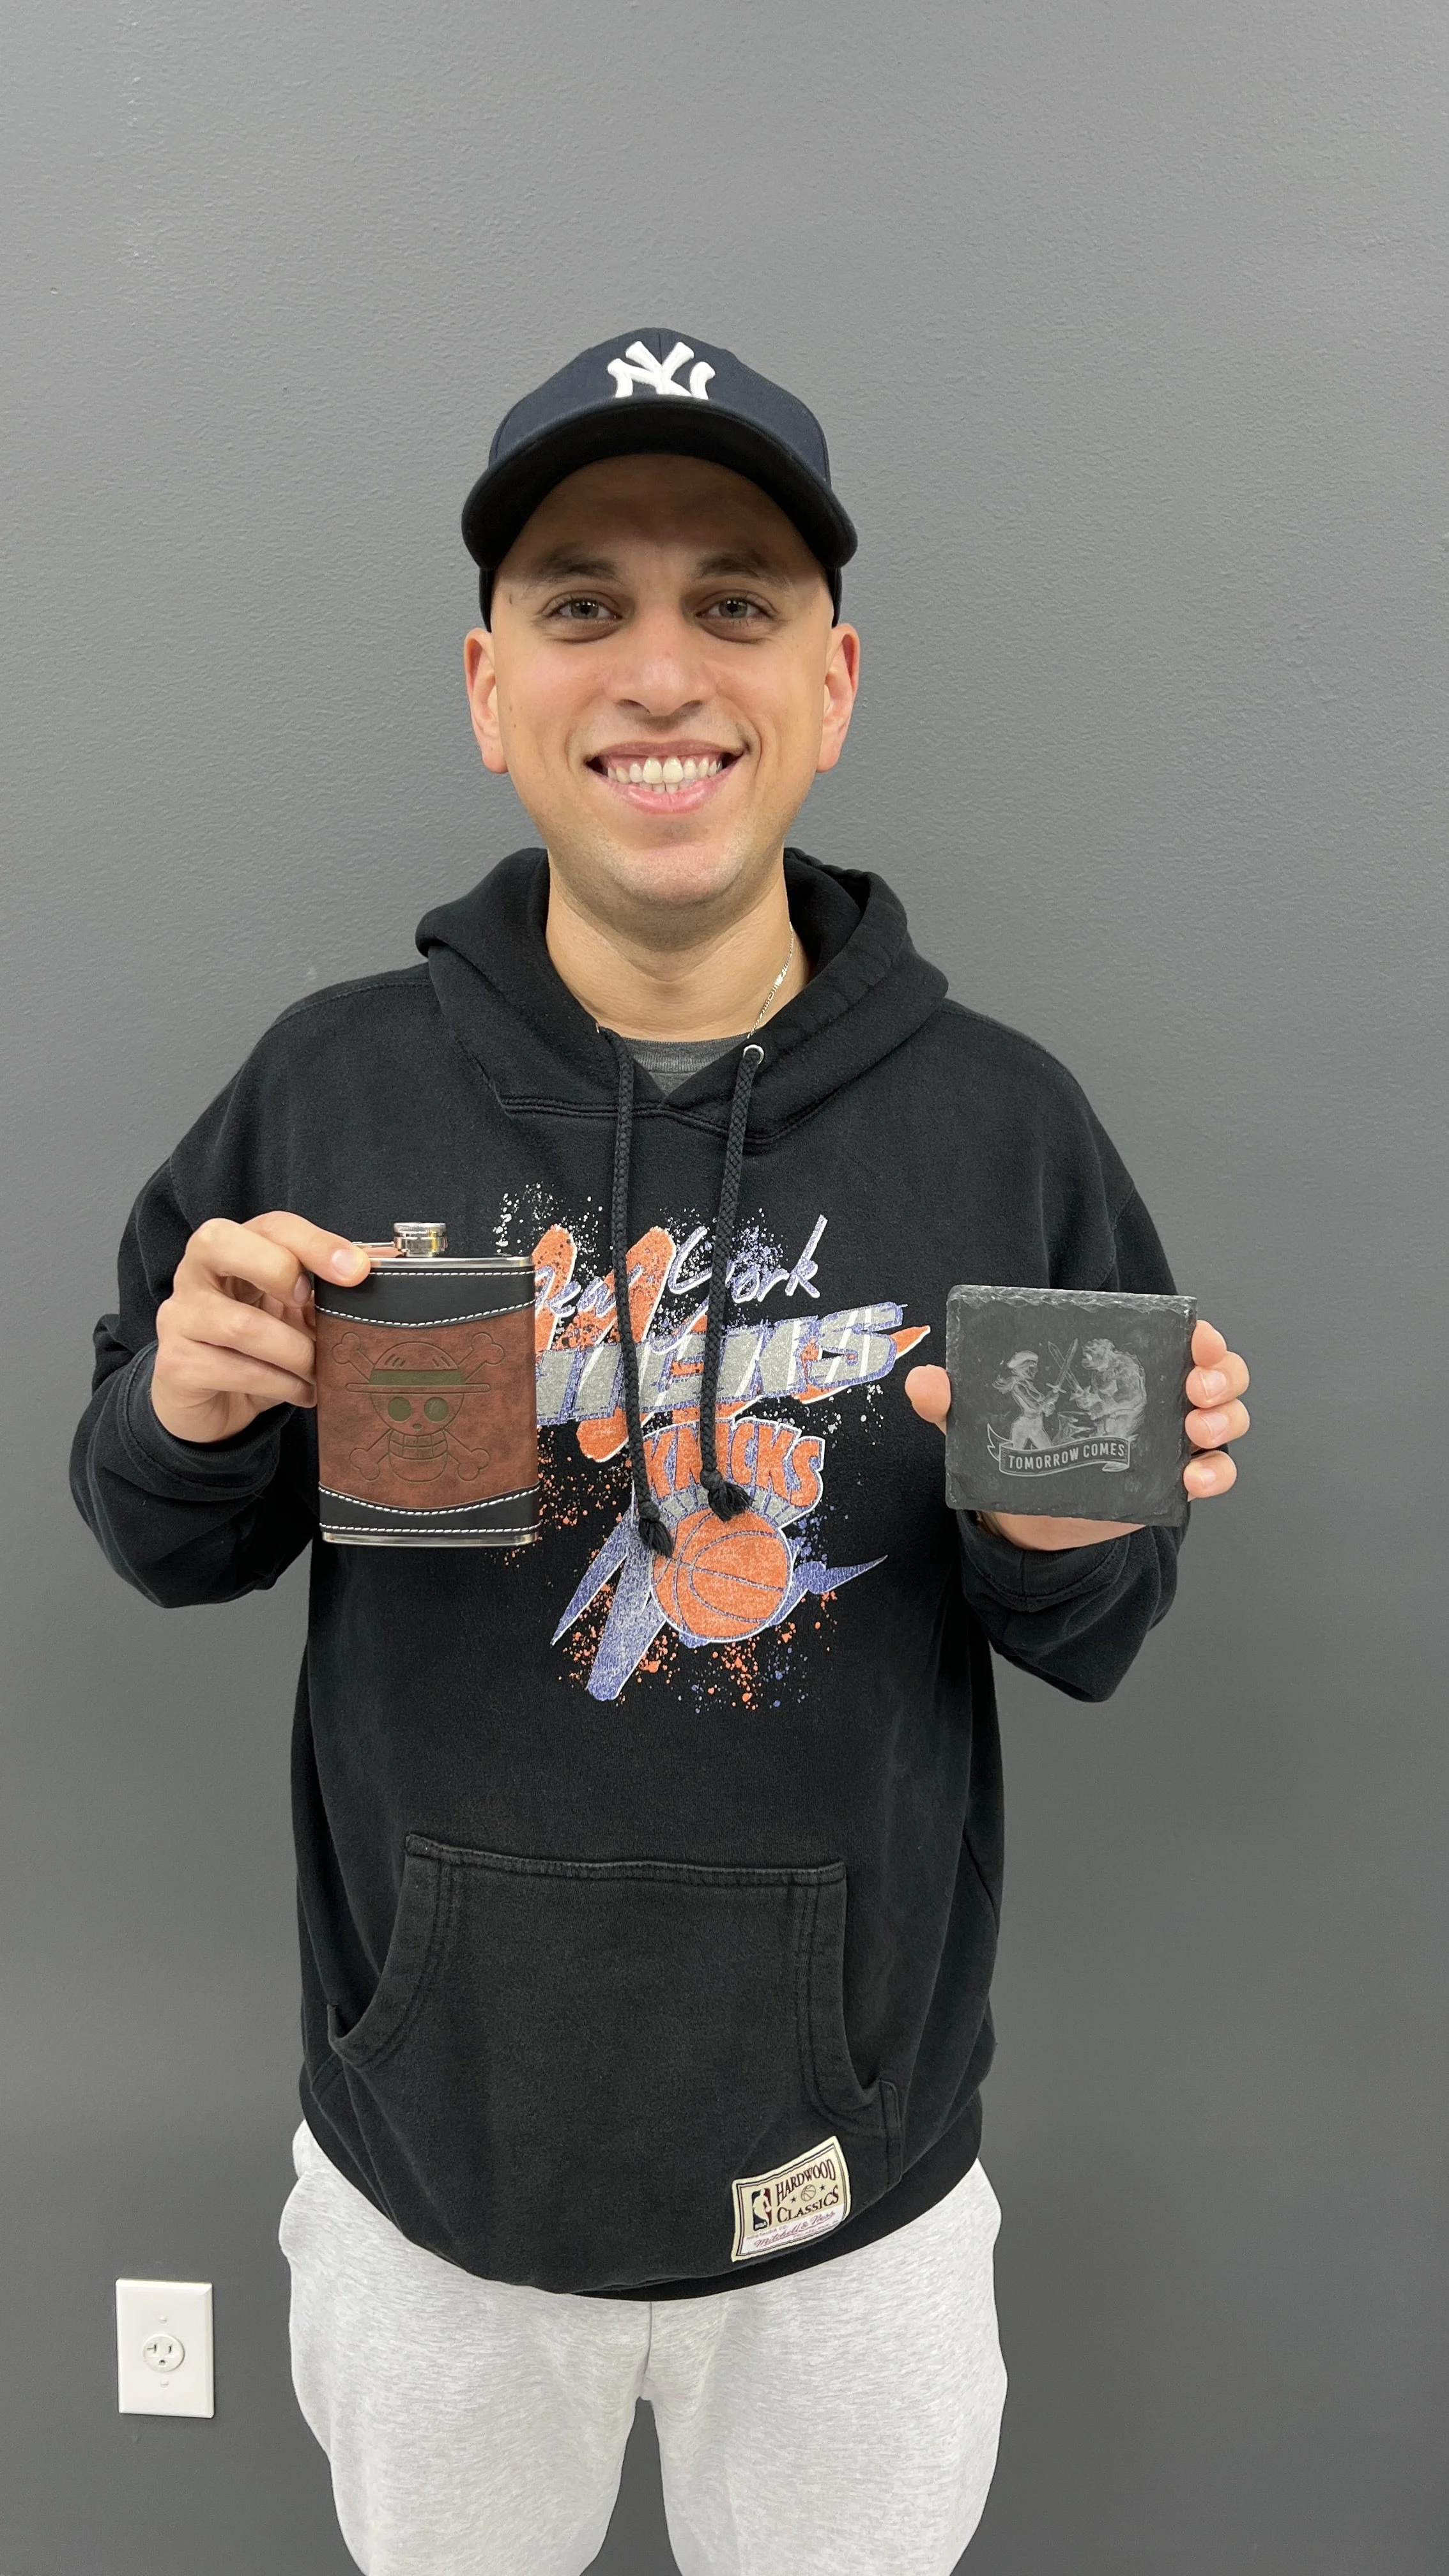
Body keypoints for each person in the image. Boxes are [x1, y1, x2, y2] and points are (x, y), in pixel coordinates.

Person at [70, 328, 1252, 2576]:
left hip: (857, 2197)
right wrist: (183, 1409)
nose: (659, 669)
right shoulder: (325, 1091)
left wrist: (1069, 1537)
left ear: (831, 679)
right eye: (579, 600)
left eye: (734, 599)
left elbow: (1090, 1617)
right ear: (488, 682)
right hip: (432, 2174)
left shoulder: (1003, 1122)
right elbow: (156, 1530)